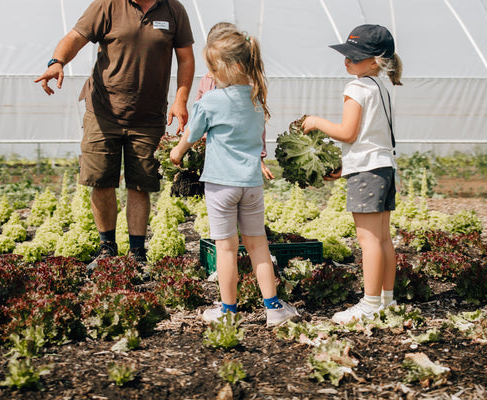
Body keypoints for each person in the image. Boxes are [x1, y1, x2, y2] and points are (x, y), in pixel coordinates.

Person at [35, 0, 195, 268]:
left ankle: (137, 252)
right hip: (102, 111)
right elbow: (75, 38)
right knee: (101, 180)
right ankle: (107, 248)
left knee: (141, 184)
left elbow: (186, 58)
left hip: (148, 116)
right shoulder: (106, 5)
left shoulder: (174, 10)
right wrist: (57, 61)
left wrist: (180, 99)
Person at [169, 26, 298, 327]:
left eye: (214, 68)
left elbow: (192, 134)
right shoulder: (256, 98)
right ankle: (275, 308)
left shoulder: (210, 101)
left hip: (221, 186)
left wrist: (177, 152)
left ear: (233, 67)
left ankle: (228, 310)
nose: (210, 74)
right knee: (259, 246)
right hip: (251, 184)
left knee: (226, 249)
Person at [301, 24, 403, 324]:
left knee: (367, 239)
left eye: (355, 57)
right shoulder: (382, 88)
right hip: (383, 166)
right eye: (346, 54)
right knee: (383, 238)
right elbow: (372, 138)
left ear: (375, 61)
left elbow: (347, 133)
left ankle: (370, 304)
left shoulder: (356, 88)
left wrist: (316, 121)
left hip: (367, 172)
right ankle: (386, 299)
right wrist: (346, 167)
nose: (347, 60)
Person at [195, 22, 274, 181]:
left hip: (237, 160)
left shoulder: (250, 85)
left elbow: (258, 125)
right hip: (213, 159)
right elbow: (197, 119)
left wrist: (259, 157)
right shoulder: (206, 81)